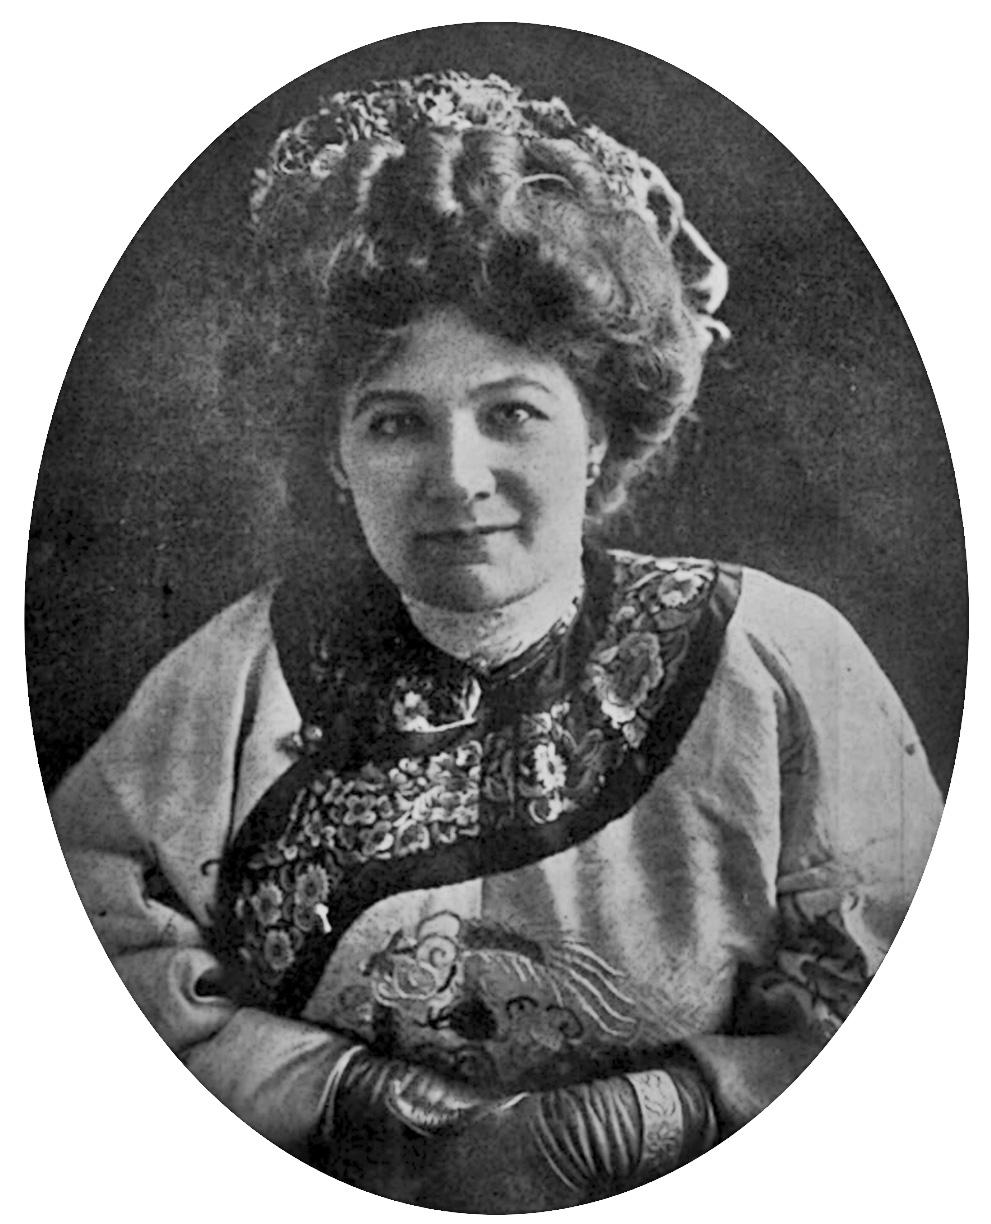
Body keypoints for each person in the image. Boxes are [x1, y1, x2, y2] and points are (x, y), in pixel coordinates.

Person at [49, 72, 942, 1211]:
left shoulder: (772, 656)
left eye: (511, 412)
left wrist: (674, 1111)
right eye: (394, 423)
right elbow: (82, 968)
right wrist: (346, 1097)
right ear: (334, 457)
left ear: (597, 431)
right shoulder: (235, 676)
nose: (455, 476)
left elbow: (905, 1023)